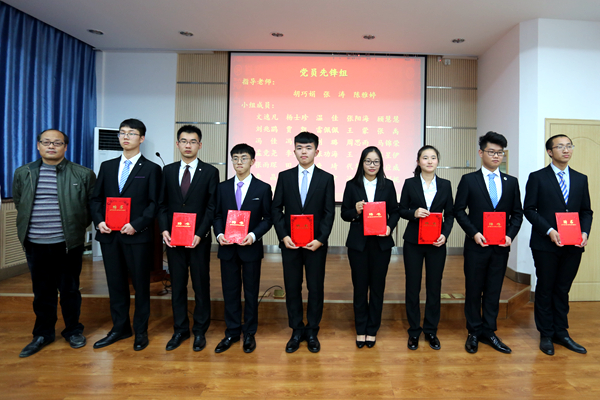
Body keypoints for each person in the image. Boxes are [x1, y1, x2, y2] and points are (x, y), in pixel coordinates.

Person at [13, 129, 96, 358]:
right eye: (46, 142)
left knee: (70, 290)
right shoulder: (23, 173)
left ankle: (73, 330)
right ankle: (43, 333)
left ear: (65, 147)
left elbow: (90, 208)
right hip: (35, 243)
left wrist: (75, 229)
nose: (51, 146)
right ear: (38, 145)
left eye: (57, 143)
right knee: (42, 291)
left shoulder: (83, 174)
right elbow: (20, 203)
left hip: (67, 244)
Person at [91, 118, 161, 351]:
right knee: (115, 284)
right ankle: (120, 327)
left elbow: (154, 204)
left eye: (131, 133)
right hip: (110, 236)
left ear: (141, 138)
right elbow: (96, 199)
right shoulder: (107, 166)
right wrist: (99, 221)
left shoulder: (151, 169)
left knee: (141, 285)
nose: (125, 137)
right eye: (122, 133)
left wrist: (137, 225)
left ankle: (140, 330)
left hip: (136, 237)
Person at [454, 131, 523, 354]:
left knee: (494, 289)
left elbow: (517, 213)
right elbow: (459, 210)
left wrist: (510, 235)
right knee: (474, 289)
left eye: (500, 153)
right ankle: (474, 331)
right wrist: (474, 233)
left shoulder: (511, 182)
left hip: (500, 247)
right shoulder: (469, 180)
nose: (496, 156)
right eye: (491, 152)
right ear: (480, 153)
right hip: (476, 246)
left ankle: (489, 331)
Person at [523, 134, 593, 356]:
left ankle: (561, 332)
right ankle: (546, 334)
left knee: (563, 289)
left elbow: (586, 211)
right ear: (550, 152)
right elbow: (529, 209)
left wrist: (584, 232)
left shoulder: (581, 178)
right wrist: (549, 231)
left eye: (569, 146)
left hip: (573, 245)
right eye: (560, 146)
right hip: (545, 244)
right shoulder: (537, 177)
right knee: (546, 288)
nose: (566, 150)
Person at [272, 131, 335, 353]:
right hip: (290, 244)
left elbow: (329, 213)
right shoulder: (285, 176)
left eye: (308, 148)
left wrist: (321, 239)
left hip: (315, 245)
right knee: (292, 287)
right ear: (294, 151)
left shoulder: (326, 178)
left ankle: (313, 330)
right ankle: (296, 330)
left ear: (316, 151)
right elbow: (276, 209)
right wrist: (283, 236)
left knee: (315, 287)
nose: (303, 152)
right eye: (299, 148)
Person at [158, 125, 219, 352]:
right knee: (178, 285)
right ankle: (180, 329)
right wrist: (164, 229)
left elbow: (212, 207)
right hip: (174, 239)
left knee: (201, 285)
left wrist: (200, 233)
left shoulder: (210, 172)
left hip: (198, 239)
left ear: (199, 145)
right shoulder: (168, 171)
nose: (188, 145)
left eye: (193, 142)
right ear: (177, 144)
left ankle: (200, 330)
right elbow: (162, 204)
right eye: (184, 141)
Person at [213, 143, 273, 353]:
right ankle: (231, 332)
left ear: (252, 161)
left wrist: (253, 235)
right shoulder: (222, 187)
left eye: (244, 158)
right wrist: (219, 235)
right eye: (235, 158)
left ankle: (249, 333)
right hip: (228, 247)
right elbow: (217, 216)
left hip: (250, 248)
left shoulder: (263, 188)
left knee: (251, 292)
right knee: (230, 291)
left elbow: (268, 218)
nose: (239, 162)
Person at [340, 146, 399, 349]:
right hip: (358, 244)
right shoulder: (352, 185)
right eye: (368, 161)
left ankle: (372, 329)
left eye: (376, 161)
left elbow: (395, 211)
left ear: (381, 164)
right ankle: (361, 328)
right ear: (362, 163)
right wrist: (355, 211)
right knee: (359, 287)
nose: (372, 165)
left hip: (381, 244)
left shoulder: (388, 185)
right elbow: (344, 213)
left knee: (377, 287)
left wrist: (390, 227)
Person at [398, 145, 454, 350]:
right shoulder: (410, 183)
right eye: (425, 158)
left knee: (434, 286)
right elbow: (401, 209)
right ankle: (414, 331)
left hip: (436, 242)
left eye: (433, 158)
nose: (429, 161)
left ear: (437, 161)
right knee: (412, 286)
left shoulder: (446, 185)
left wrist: (445, 234)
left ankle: (431, 330)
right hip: (413, 242)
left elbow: (450, 214)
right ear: (418, 161)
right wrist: (413, 213)